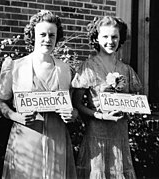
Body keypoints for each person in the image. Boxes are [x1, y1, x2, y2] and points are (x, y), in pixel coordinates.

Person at [0, 10, 78, 179]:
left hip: (57, 138)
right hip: (26, 136)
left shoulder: (66, 70)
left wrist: (72, 114)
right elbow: (0, 102)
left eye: (52, 35)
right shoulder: (15, 67)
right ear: (33, 35)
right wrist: (15, 116)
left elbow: (73, 108)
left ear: (57, 37)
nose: (47, 39)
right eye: (42, 34)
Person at [71, 16, 142, 179]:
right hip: (97, 134)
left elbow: (135, 100)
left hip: (120, 133)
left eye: (114, 36)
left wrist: (129, 109)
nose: (110, 41)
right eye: (105, 36)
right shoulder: (88, 68)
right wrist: (100, 115)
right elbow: (77, 103)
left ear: (120, 38)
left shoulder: (126, 70)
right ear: (96, 38)